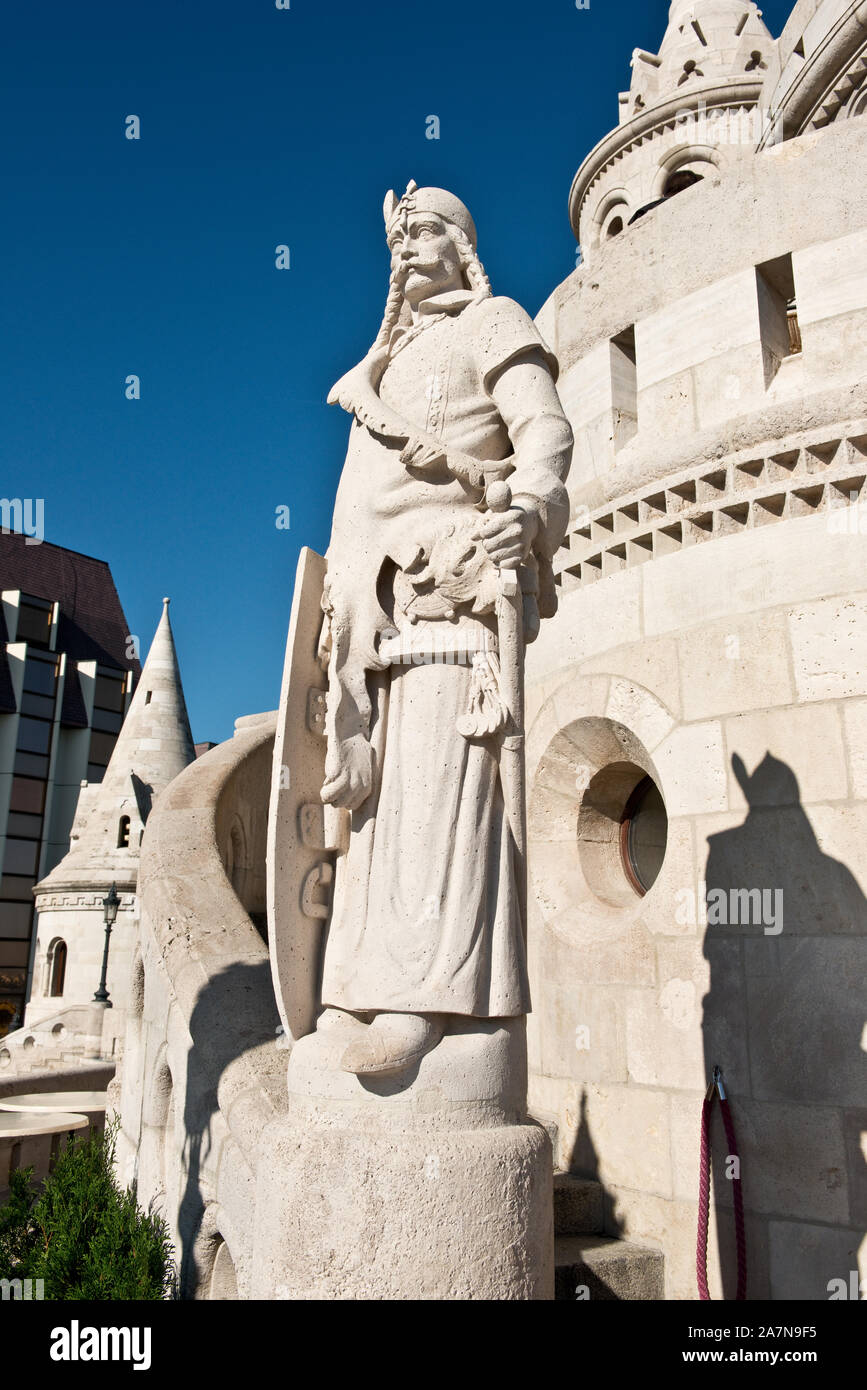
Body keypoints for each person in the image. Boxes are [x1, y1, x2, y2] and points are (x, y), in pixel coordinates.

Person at [317, 182, 572, 1076]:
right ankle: (361, 985)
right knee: (379, 812)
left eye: (425, 229)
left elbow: (545, 431)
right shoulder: (379, 365)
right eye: (396, 234)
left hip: (453, 608)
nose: (406, 245)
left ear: (462, 241)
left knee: (439, 799)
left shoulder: (494, 320)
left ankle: (432, 997)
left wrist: (532, 508)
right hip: (373, 623)